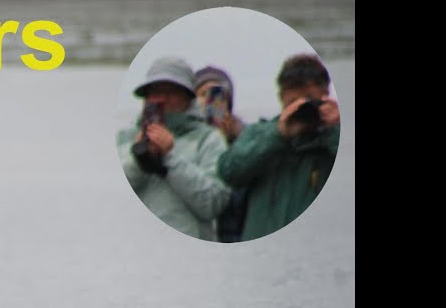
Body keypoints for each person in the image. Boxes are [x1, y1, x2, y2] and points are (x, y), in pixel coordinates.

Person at [217, 54, 340, 241]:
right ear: (281, 98)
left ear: (326, 97)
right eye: (293, 104)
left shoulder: (335, 139)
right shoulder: (260, 134)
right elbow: (228, 172)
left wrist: (335, 129)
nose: (301, 109)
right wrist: (278, 136)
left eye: (309, 102)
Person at [118, 56, 231, 242]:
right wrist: (139, 158)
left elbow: (213, 203)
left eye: (170, 92)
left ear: (188, 98)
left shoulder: (209, 139)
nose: (161, 99)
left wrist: (170, 159)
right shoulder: (126, 136)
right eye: (155, 92)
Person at [193, 65, 249, 242]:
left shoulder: (246, 139)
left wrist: (234, 141)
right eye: (203, 94)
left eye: (218, 95)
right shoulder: (184, 140)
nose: (210, 101)